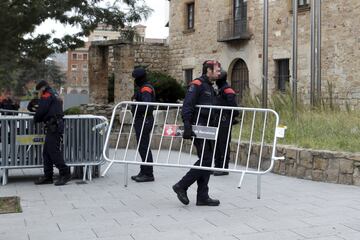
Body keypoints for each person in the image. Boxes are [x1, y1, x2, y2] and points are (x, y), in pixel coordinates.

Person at [172, 60, 221, 206]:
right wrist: (187, 125)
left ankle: (202, 196)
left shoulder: (210, 87)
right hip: (199, 128)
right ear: (208, 70)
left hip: (209, 129)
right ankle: (182, 185)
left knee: (206, 161)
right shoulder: (197, 85)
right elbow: (187, 105)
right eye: (217, 70)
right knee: (206, 160)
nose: (219, 73)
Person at [33, 80, 71, 186]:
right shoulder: (54, 93)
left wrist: (35, 119)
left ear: (42, 88)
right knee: (46, 152)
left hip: (54, 125)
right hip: (55, 125)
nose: (39, 94)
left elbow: (42, 110)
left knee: (53, 151)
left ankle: (65, 173)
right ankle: (48, 176)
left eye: (38, 91)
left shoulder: (47, 94)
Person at [130, 67, 156, 182]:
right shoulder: (142, 87)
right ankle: (143, 170)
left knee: (144, 146)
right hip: (141, 119)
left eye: (136, 78)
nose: (134, 81)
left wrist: (136, 106)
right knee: (142, 146)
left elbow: (147, 105)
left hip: (144, 119)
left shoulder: (145, 89)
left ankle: (148, 173)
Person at [213, 70, 239, 176]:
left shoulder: (227, 90)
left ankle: (224, 167)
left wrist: (230, 117)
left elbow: (234, 108)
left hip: (224, 121)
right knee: (217, 144)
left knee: (223, 144)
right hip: (217, 120)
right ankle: (217, 166)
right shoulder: (219, 90)